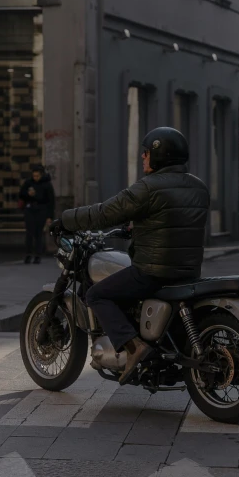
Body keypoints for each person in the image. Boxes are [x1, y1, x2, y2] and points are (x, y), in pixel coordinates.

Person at [53, 127, 210, 385]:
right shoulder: (198, 187)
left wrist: (66, 220)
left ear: (160, 155)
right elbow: (172, 219)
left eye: (147, 153)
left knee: (96, 294)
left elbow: (105, 212)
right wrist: (138, 226)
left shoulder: (148, 188)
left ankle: (135, 347)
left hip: (152, 271)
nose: (143, 158)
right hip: (188, 271)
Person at [19, 165, 55, 264]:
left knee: (38, 233)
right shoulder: (28, 183)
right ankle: (28, 254)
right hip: (30, 209)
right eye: (34, 176)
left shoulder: (47, 184)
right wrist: (28, 194)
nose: (35, 178)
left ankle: (38, 255)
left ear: (41, 175)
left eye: (37, 176)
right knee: (29, 233)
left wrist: (49, 216)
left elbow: (51, 201)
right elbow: (21, 194)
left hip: (41, 210)